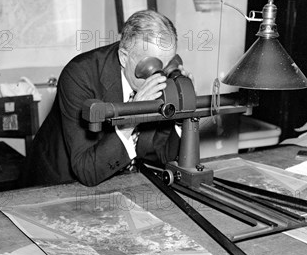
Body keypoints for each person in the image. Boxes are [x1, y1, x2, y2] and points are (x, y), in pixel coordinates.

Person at [22, 10, 187, 187]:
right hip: (60, 184)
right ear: (124, 57)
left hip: (118, 179)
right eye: (153, 67)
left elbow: (159, 154)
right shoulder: (79, 75)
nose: (161, 78)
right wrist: (132, 117)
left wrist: (180, 115)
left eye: (168, 65)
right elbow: (87, 171)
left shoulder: (155, 79)